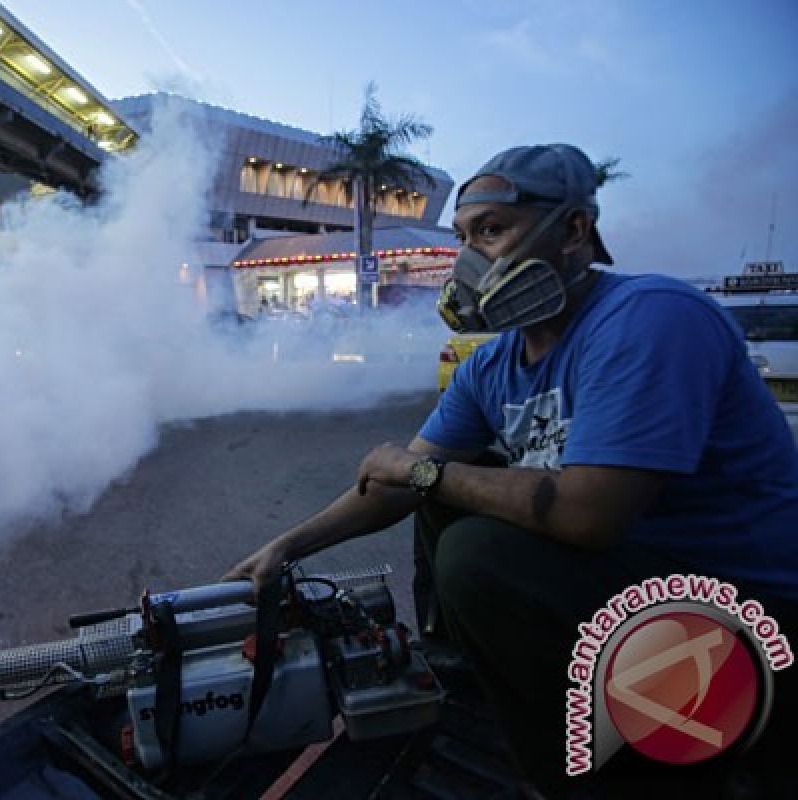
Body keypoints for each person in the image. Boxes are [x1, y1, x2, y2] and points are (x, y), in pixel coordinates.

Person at [225, 144, 798, 795]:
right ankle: (481, 686)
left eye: (493, 231)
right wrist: (284, 548)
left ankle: (599, 775)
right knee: (450, 494)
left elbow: (588, 515)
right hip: (643, 590)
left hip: (751, 619)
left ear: (575, 231)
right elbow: (397, 483)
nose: (472, 260)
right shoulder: (492, 365)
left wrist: (423, 476)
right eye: (465, 237)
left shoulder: (651, 317)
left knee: (476, 545)